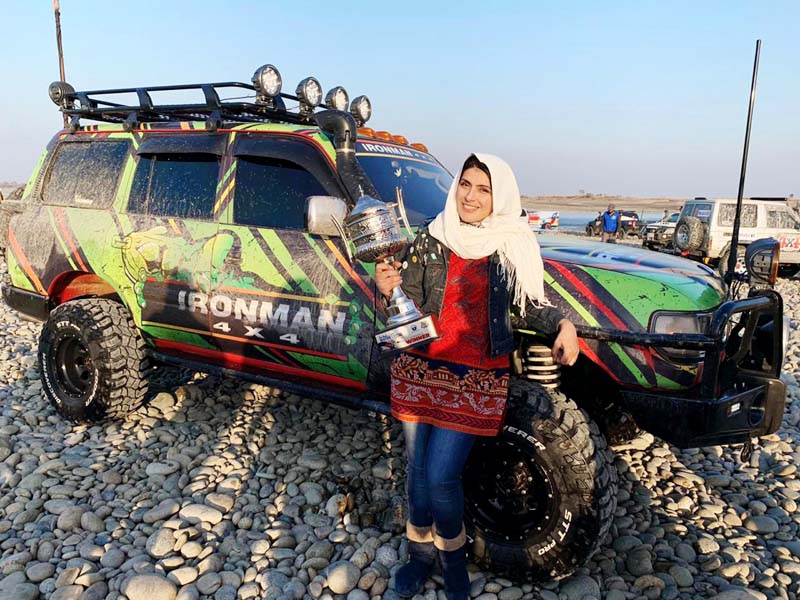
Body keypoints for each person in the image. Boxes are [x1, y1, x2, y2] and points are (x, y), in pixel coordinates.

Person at [375, 154, 579, 600]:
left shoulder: (511, 246)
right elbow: (406, 301)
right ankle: (418, 556)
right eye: (465, 184)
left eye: (482, 189)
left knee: (442, 477)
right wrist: (388, 286)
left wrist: (563, 325)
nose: (470, 195)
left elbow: (528, 304)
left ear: (499, 196)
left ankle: (453, 564)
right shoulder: (433, 236)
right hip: (420, 369)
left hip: (475, 378)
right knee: (416, 472)